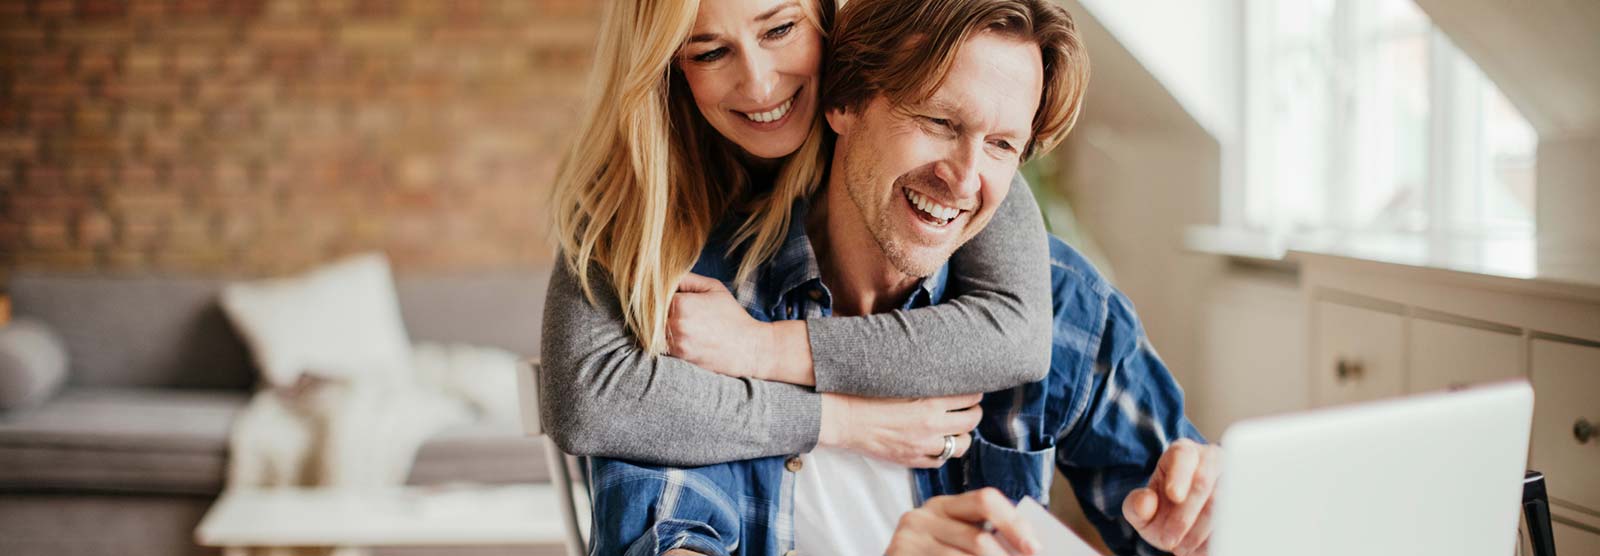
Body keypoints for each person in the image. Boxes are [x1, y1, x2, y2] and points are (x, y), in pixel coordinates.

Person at [584, 0, 1222, 555]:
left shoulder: (1063, 305)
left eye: (1002, 145)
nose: (965, 179)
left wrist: (1201, 522)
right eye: (940, 123)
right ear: (844, 102)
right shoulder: (706, 311)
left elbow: (1180, 516)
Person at [542, 0, 1057, 476]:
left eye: (781, 29)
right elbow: (587, 400)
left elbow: (1017, 335)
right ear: (669, 66)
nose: (761, 86)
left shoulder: (900, 109)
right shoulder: (636, 186)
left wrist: (761, 349)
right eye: (712, 52)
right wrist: (843, 421)